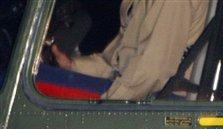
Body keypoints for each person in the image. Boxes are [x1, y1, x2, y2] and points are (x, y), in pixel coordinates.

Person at [51, 0, 209, 100]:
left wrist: (107, 107)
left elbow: (152, 70)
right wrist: (73, 66)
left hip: (160, 101)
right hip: (142, 92)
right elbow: (119, 60)